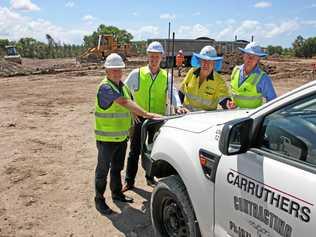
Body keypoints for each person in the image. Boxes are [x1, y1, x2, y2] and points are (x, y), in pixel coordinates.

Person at [94, 53, 161, 215]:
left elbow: (130, 100)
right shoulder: (105, 87)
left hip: (121, 137)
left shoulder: (122, 86)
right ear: (106, 71)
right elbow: (124, 102)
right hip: (106, 139)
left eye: (119, 70)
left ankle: (117, 194)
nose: (117, 72)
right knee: (102, 170)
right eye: (113, 70)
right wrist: (145, 113)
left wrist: (133, 113)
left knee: (117, 168)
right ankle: (99, 199)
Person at [122, 41, 188, 192]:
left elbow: (172, 92)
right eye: (151, 56)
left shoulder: (166, 76)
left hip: (157, 119)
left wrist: (178, 106)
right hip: (139, 118)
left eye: (156, 57)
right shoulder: (136, 74)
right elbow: (124, 91)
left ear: (162, 58)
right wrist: (132, 110)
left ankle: (149, 176)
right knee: (134, 150)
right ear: (147, 56)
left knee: (153, 150)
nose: (153, 60)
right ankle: (129, 181)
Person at [179, 45, 235, 111]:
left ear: (214, 63)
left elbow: (224, 99)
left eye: (209, 61)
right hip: (188, 115)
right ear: (200, 61)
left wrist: (228, 104)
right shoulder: (192, 72)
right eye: (204, 60)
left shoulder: (219, 80)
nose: (206, 64)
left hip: (206, 118)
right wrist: (179, 106)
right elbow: (181, 91)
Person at [230, 42, 277, 109]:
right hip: (233, 114)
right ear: (243, 55)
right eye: (248, 55)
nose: (250, 59)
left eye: (253, 57)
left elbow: (272, 101)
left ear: (258, 59)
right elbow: (235, 92)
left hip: (251, 117)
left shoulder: (263, 78)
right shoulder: (235, 70)